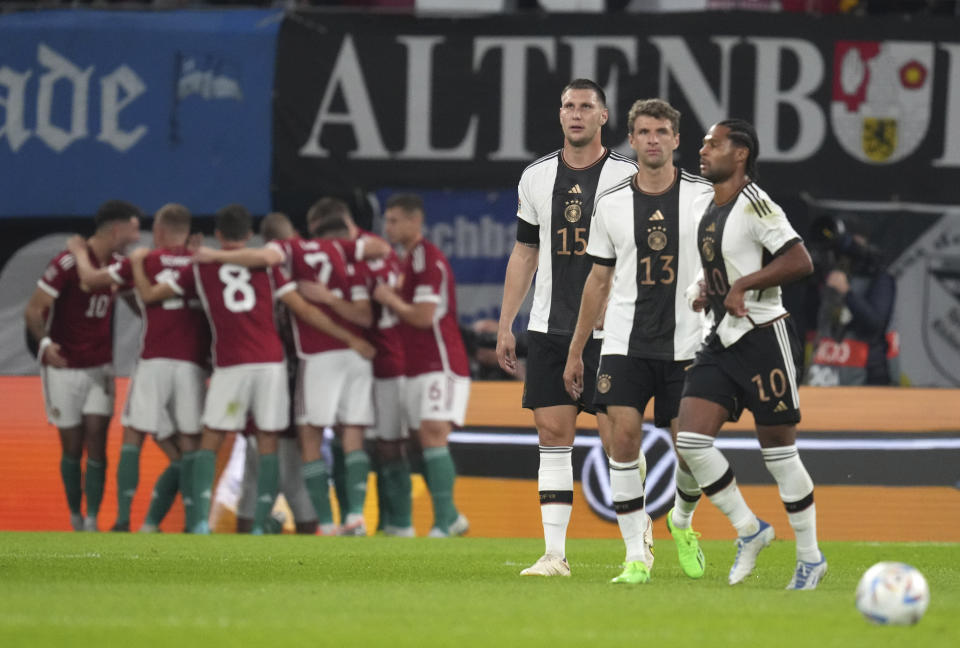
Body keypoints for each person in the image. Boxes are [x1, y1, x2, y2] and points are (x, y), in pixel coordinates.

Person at [562, 98, 713, 584]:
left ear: (675, 139)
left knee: (691, 449)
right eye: (643, 132)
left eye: (660, 131)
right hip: (624, 340)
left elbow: (729, 257)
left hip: (688, 344)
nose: (652, 139)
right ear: (633, 138)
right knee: (622, 440)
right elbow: (597, 281)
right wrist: (576, 350)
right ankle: (635, 556)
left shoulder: (703, 197)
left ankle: (682, 520)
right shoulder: (610, 204)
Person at [495, 78, 638, 576]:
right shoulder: (535, 177)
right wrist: (506, 322)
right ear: (560, 115)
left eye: (586, 106)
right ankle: (555, 555)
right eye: (567, 106)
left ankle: (636, 552)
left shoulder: (629, 174)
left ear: (604, 116)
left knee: (617, 437)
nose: (575, 114)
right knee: (552, 431)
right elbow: (525, 252)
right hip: (550, 325)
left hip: (611, 329)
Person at [675, 119, 826, 589]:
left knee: (780, 455)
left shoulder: (757, 203)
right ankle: (750, 529)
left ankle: (810, 558)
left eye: (713, 144)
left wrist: (744, 285)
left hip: (764, 338)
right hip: (721, 338)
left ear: (740, 154)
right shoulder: (708, 204)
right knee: (691, 443)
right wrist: (709, 288)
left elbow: (800, 260)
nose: (703, 150)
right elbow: (726, 267)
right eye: (703, 143)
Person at [189, 204, 371, 535]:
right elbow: (302, 307)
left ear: (218, 235)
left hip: (230, 364)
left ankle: (199, 523)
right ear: (249, 236)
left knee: (212, 439)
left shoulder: (200, 267)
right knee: (269, 439)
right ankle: (261, 522)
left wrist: (202, 255)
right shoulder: (270, 268)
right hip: (271, 364)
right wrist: (349, 338)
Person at [78, 204, 211, 533]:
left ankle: (123, 519)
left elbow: (89, 281)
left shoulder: (146, 260)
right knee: (191, 442)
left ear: (161, 232)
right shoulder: (202, 262)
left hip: (154, 360)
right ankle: (194, 523)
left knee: (134, 435)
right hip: (192, 364)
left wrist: (79, 252)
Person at [23, 200, 142, 531]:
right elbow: (34, 309)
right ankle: (75, 515)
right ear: (116, 229)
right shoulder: (65, 263)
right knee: (73, 446)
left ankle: (91, 520)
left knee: (99, 441)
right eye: (133, 229)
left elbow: (138, 303)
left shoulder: (117, 266)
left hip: (100, 366)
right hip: (65, 367)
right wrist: (45, 344)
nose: (136, 237)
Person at [304, 198, 413, 537]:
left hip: (383, 357)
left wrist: (326, 297)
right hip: (371, 358)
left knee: (384, 443)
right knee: (356, 438)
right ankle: (370, 519)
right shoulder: (366, 253)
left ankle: (396, 522)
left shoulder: (364, 251)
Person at [372, 193, 471, 537]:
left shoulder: (428, 259)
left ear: (416, 221)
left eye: (395, 220)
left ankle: (443, 523)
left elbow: (424, 316)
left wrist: (390, 300)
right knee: (418, 440)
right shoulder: (406, 260)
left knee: (432, 433)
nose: (389, 227)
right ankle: (453, 516)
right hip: (415, 365)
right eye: (387, 220)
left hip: (439, 362)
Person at [804, 215, 898, 386]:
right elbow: (811, 320)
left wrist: (847, 292)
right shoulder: (829, 275)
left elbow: (875, 324)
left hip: (867, 376)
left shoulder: (879, 278)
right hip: (825, 374)